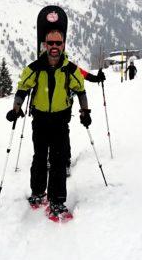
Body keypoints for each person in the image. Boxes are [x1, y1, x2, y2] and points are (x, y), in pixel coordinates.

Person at [6, 28, 90, 221]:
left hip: (61, 120)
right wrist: (16, 109)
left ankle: (57, 201)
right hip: (41, 120)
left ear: (63, 45)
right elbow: (23, 88)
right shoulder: (35, 67)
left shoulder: (71, 69)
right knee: (40, 157)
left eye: (57, 43)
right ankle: (38, 193)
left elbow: (81, 90)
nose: (54, 47)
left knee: (59, 160)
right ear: (44, 44)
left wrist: (85, 112)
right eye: (50, 43)